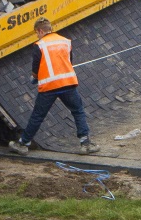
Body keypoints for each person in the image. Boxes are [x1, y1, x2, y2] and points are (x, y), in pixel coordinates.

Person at [7, 18, 100, 155]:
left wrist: (34, 77)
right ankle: (85, 144)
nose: (37, 36)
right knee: (78, 111)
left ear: (40, 30)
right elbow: (69, 61)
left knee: (37, 116)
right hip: (67, 84)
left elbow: (36, 68)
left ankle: (23, 143)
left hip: (49, 87)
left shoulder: (39, 45)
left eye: (36, 33)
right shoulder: (65, 42)